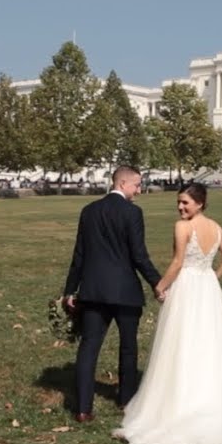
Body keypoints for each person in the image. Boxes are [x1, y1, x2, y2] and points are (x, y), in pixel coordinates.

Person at [114, 183, 222, 444]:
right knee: (207, 342)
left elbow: (178, 262)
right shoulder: (215, 227)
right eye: (179, 203)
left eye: (186, 203)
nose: (181, 208)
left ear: (200, 203)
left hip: (187, 288)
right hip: (207, 289)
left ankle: (178, 406)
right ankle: (207, 401)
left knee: (180, 343)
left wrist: (161, 286)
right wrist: (212, 277)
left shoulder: (183, 227)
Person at [61, 166, 162, 423]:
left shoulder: (89, 211)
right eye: (137, 185)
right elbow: (138, 255)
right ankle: (126, 400)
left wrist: (70, 290)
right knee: (128, 346)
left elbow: (79, 254)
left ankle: (83, 408)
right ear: (124, 183)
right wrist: (157, 282)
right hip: (125, 290)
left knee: (89, 346)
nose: (140, 190)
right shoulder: (133, 213)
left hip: (93, 290)